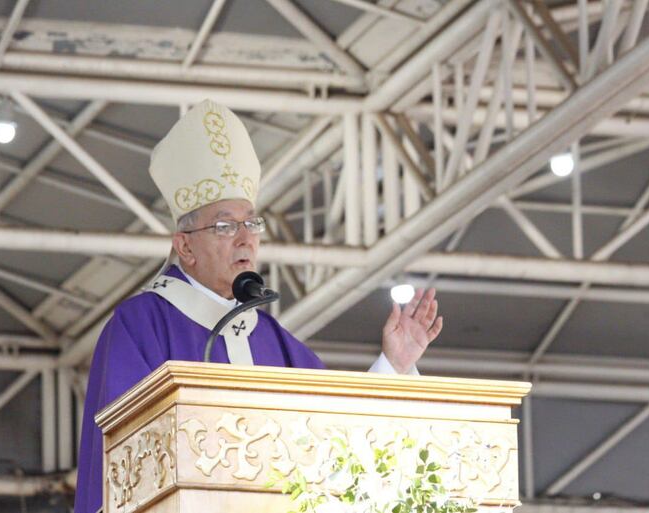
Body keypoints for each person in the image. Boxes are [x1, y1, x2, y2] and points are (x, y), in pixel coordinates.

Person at [74, 100, 443, 513]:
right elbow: (124, 462)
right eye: (225, 225)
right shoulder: (142, 325)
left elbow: (339, 444)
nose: (245, 238)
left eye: (252, 223)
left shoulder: (272, 340)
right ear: (185, 247)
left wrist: (392, 366)